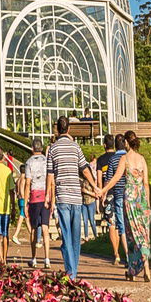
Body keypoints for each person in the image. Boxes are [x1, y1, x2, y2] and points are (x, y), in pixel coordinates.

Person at [46, 116, 98, 281]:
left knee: (66, 235)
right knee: (75, 236)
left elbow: (50, 175)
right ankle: (72, 271)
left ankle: (71, 271)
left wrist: (48, 195)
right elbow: (85, 169)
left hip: (62, 197)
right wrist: (95, 186)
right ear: (68, 129)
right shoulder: (76, 147)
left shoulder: (52, 149)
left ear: (57, 130)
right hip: (76, 197)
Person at [99, 130, 151, 282]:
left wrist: (103, 190)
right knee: (142, 233)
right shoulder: (142, 159)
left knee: (131, 234)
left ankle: (132, 269)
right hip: (141, 198)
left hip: (129, 197)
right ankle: (146, 268)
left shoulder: (124, 158)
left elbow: (115, 178)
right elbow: (146, 183)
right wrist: (147, 203)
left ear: (126, 143)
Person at [22, 138, 51, 268]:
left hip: (34, 197)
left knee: (34, 229)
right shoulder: (46, 161)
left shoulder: (28, 162)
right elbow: (51, 180)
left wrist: (25, 201)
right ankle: (47, 259)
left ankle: (34, 258)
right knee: (45, 228)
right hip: (45, 196)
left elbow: (28, 183)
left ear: (32, 148)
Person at [103, 134, 129, 266]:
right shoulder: (130, 157)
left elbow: (108, 179)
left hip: (118, 195)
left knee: (121, 226)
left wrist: (103, 193)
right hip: (130, 195)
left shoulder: (113, 159)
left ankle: (127, 256)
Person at [81, 152, 99, 241]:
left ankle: (96, 236)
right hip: (83, 203)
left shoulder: (93, 181)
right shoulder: (82, 180)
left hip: (91, 202)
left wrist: (86, 191)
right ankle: (86, 236)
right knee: (84, 220)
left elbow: (95, 194)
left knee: (92, 220)